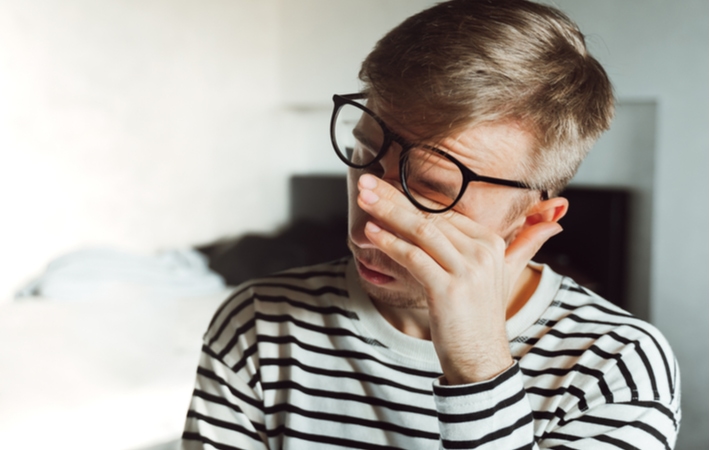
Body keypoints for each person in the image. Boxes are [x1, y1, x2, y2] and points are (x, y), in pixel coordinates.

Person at [180, 1, 680, 448]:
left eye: (432, 191)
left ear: (533, 220)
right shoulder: (257, 323)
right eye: (364, 153)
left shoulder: (619, 368)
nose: (364, 229)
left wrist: (477, 367)